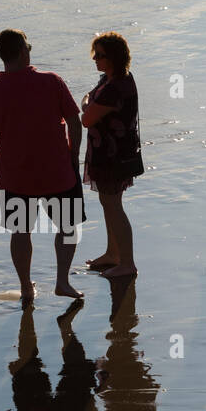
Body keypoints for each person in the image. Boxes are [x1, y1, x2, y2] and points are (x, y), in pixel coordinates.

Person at [0, 30, 86, 306]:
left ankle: (26, 287)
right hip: (58, 171)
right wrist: (74, 157)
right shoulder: (51, 81)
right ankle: (62, 281)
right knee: (68, 227)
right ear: (24, 51)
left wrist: (0, 170)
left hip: (16, 176)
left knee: (20, 231)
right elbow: (74, 121)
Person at [81, 32, 142, 279]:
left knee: (114, 205)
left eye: (101, 55)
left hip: (112, 155)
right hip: (111, 151)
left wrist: (86, 104)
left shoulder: (114, 87)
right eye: (94, 54)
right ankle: (113, 253)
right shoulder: (112, 80)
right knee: (109, 203)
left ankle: (127, 262)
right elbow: (89, 101)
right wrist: (88, 102)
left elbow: (86, 118)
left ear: (114, 57)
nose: (95, 59)